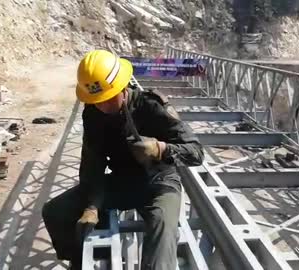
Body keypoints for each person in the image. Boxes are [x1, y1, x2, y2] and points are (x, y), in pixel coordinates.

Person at [41, 50, 204, 270]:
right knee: (55, 211)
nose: (103, 106)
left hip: (160, 183)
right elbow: (92, 163)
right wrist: (93, 205)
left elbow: (195, 152)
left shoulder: (151, 106)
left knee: (162, 235)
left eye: (109, 98)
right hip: (122, 182)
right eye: (97, 101)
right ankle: (81, 260)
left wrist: (161, 149)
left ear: (123, 86)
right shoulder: (93, 113)